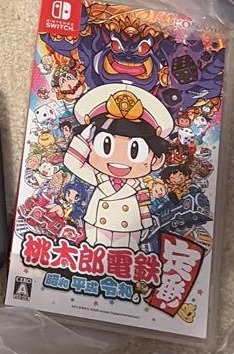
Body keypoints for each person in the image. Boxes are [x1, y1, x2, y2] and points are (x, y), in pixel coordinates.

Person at [63, 84, 173, 249]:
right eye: (105, 145)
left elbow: (143, 205)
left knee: (128, 253)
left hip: (129, 228)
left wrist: (145, 226)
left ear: (155, 160)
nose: (119, 159)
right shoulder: (98, 177)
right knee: (94, 251)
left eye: (136, 150)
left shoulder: (137, 185)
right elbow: (72, 162)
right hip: (97, 225)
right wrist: (83, 139)